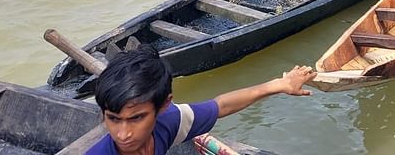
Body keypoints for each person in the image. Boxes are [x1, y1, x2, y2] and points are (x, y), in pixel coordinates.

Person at [85, 45, 314, 155]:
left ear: (164, 105)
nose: (123, 134)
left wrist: (278, 85)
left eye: (136, 118)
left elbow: (221, 105)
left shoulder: (169, 123)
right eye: (113, 119)